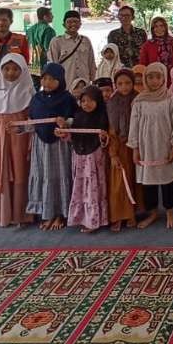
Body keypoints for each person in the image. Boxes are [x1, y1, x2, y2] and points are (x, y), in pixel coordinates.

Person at [129, 63, 173, 230]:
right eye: (150, 77)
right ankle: (152, 212)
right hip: (146, 148)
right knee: (149, 183)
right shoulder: (139, 101)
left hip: (164, 146)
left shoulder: (170, 99)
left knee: (167, 180)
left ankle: (169, 211)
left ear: (164, 78)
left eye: (158, 77)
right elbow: (134, 126)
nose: (154, 81)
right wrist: (135, 149)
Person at [0, 53, 35, 227]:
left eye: (15, 69)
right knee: (1, 173)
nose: (10, 73)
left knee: (21, 173)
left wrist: (26, 132)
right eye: (6, 69)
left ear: (23, 70)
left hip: (20, 141)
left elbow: (34, 120)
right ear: (0, 70)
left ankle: (22, 215)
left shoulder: (28, 91)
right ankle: (4, 215)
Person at [25, 62, 77, 231]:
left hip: (59, 147)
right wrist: (18, 127)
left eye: (51, 79)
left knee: (60, 175)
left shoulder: (67, 98)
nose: (46, 82)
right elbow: (32, 121)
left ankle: (61, 213)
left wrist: (66, 123)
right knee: (44, 175)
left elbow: (75, 119)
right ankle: (47, 213)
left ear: (60, 80)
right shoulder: (37, 98)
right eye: (44, 78)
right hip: (41, 145)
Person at [59, 85, 110, 234]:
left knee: (93, 188)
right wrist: (63, 133)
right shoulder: (78, 116)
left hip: (94, 158)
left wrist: (103, 138)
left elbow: (105, 140)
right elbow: (72, 136)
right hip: (80, 158)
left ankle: (94, 220)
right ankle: (82, 217)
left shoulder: (102, 116)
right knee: (81, 187)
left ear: (98, 101)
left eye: (91, 101)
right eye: (83, 101)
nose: (86, 104)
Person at [106, 68, 139, 231]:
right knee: (119, 182)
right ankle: (118, 216)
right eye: (120, 83)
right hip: (118, 146)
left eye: (127, 83)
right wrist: (113, 153)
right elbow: (111, 129)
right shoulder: (112, 102)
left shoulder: (138, 99)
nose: (124, 87)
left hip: (135, 146)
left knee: (134, 180)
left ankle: (132, 214)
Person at [47, 10, 96, 85]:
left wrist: (94, 80)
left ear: (80, 24)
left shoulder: (86, 41)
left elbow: (91, 62)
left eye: (76, 21)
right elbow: (53, 64)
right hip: (66, 84)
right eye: (69, 22)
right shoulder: (56, 42)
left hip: (84, 83)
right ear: (64, 24)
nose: (73, 24)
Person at [25, 6, 57, 85]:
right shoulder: (48, 30)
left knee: (32, 88)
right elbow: (49, 49)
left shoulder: (30, 29)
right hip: (43, 64)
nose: (53, 16)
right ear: (45, 17)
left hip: (30, 64)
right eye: (51, 14)